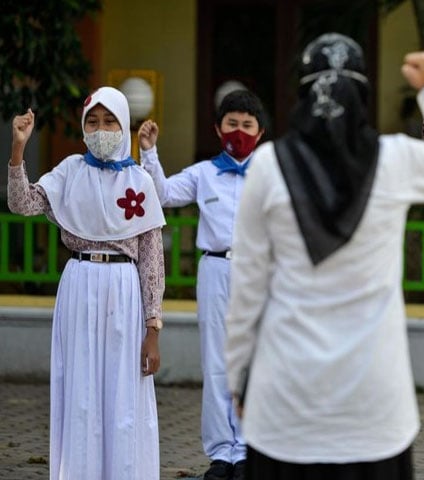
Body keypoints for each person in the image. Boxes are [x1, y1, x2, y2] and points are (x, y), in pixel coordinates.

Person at [223, 32, 424, 480]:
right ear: (363, 96)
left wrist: (237, 379)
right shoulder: (394, 160)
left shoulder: (267, 165)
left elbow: (247, 288)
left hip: (284, 407)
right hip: (376, 413)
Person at [8, 87, 166, 479]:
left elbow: (151, 259)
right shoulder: (70, 172)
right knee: (80, 388)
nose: (100, 129)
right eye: (92, 121)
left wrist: (153, 327)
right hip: (79, 284)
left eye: (109, 120)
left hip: (124, 290)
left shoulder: (139, 181)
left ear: (124, 124)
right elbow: (22, 203)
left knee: (123, 391)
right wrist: (17, 150)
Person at [137, 89, 266, 480]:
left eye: (247, 125)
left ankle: (247, 449)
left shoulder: (271, 172)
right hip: (215, 269)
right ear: (217, 128)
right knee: (216, 361)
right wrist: (149, 152)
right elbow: (161, 194)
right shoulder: (203, 173)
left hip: (258, 271)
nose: (239, 131)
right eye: (232, 123)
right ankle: (220, 453)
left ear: (260, 132)